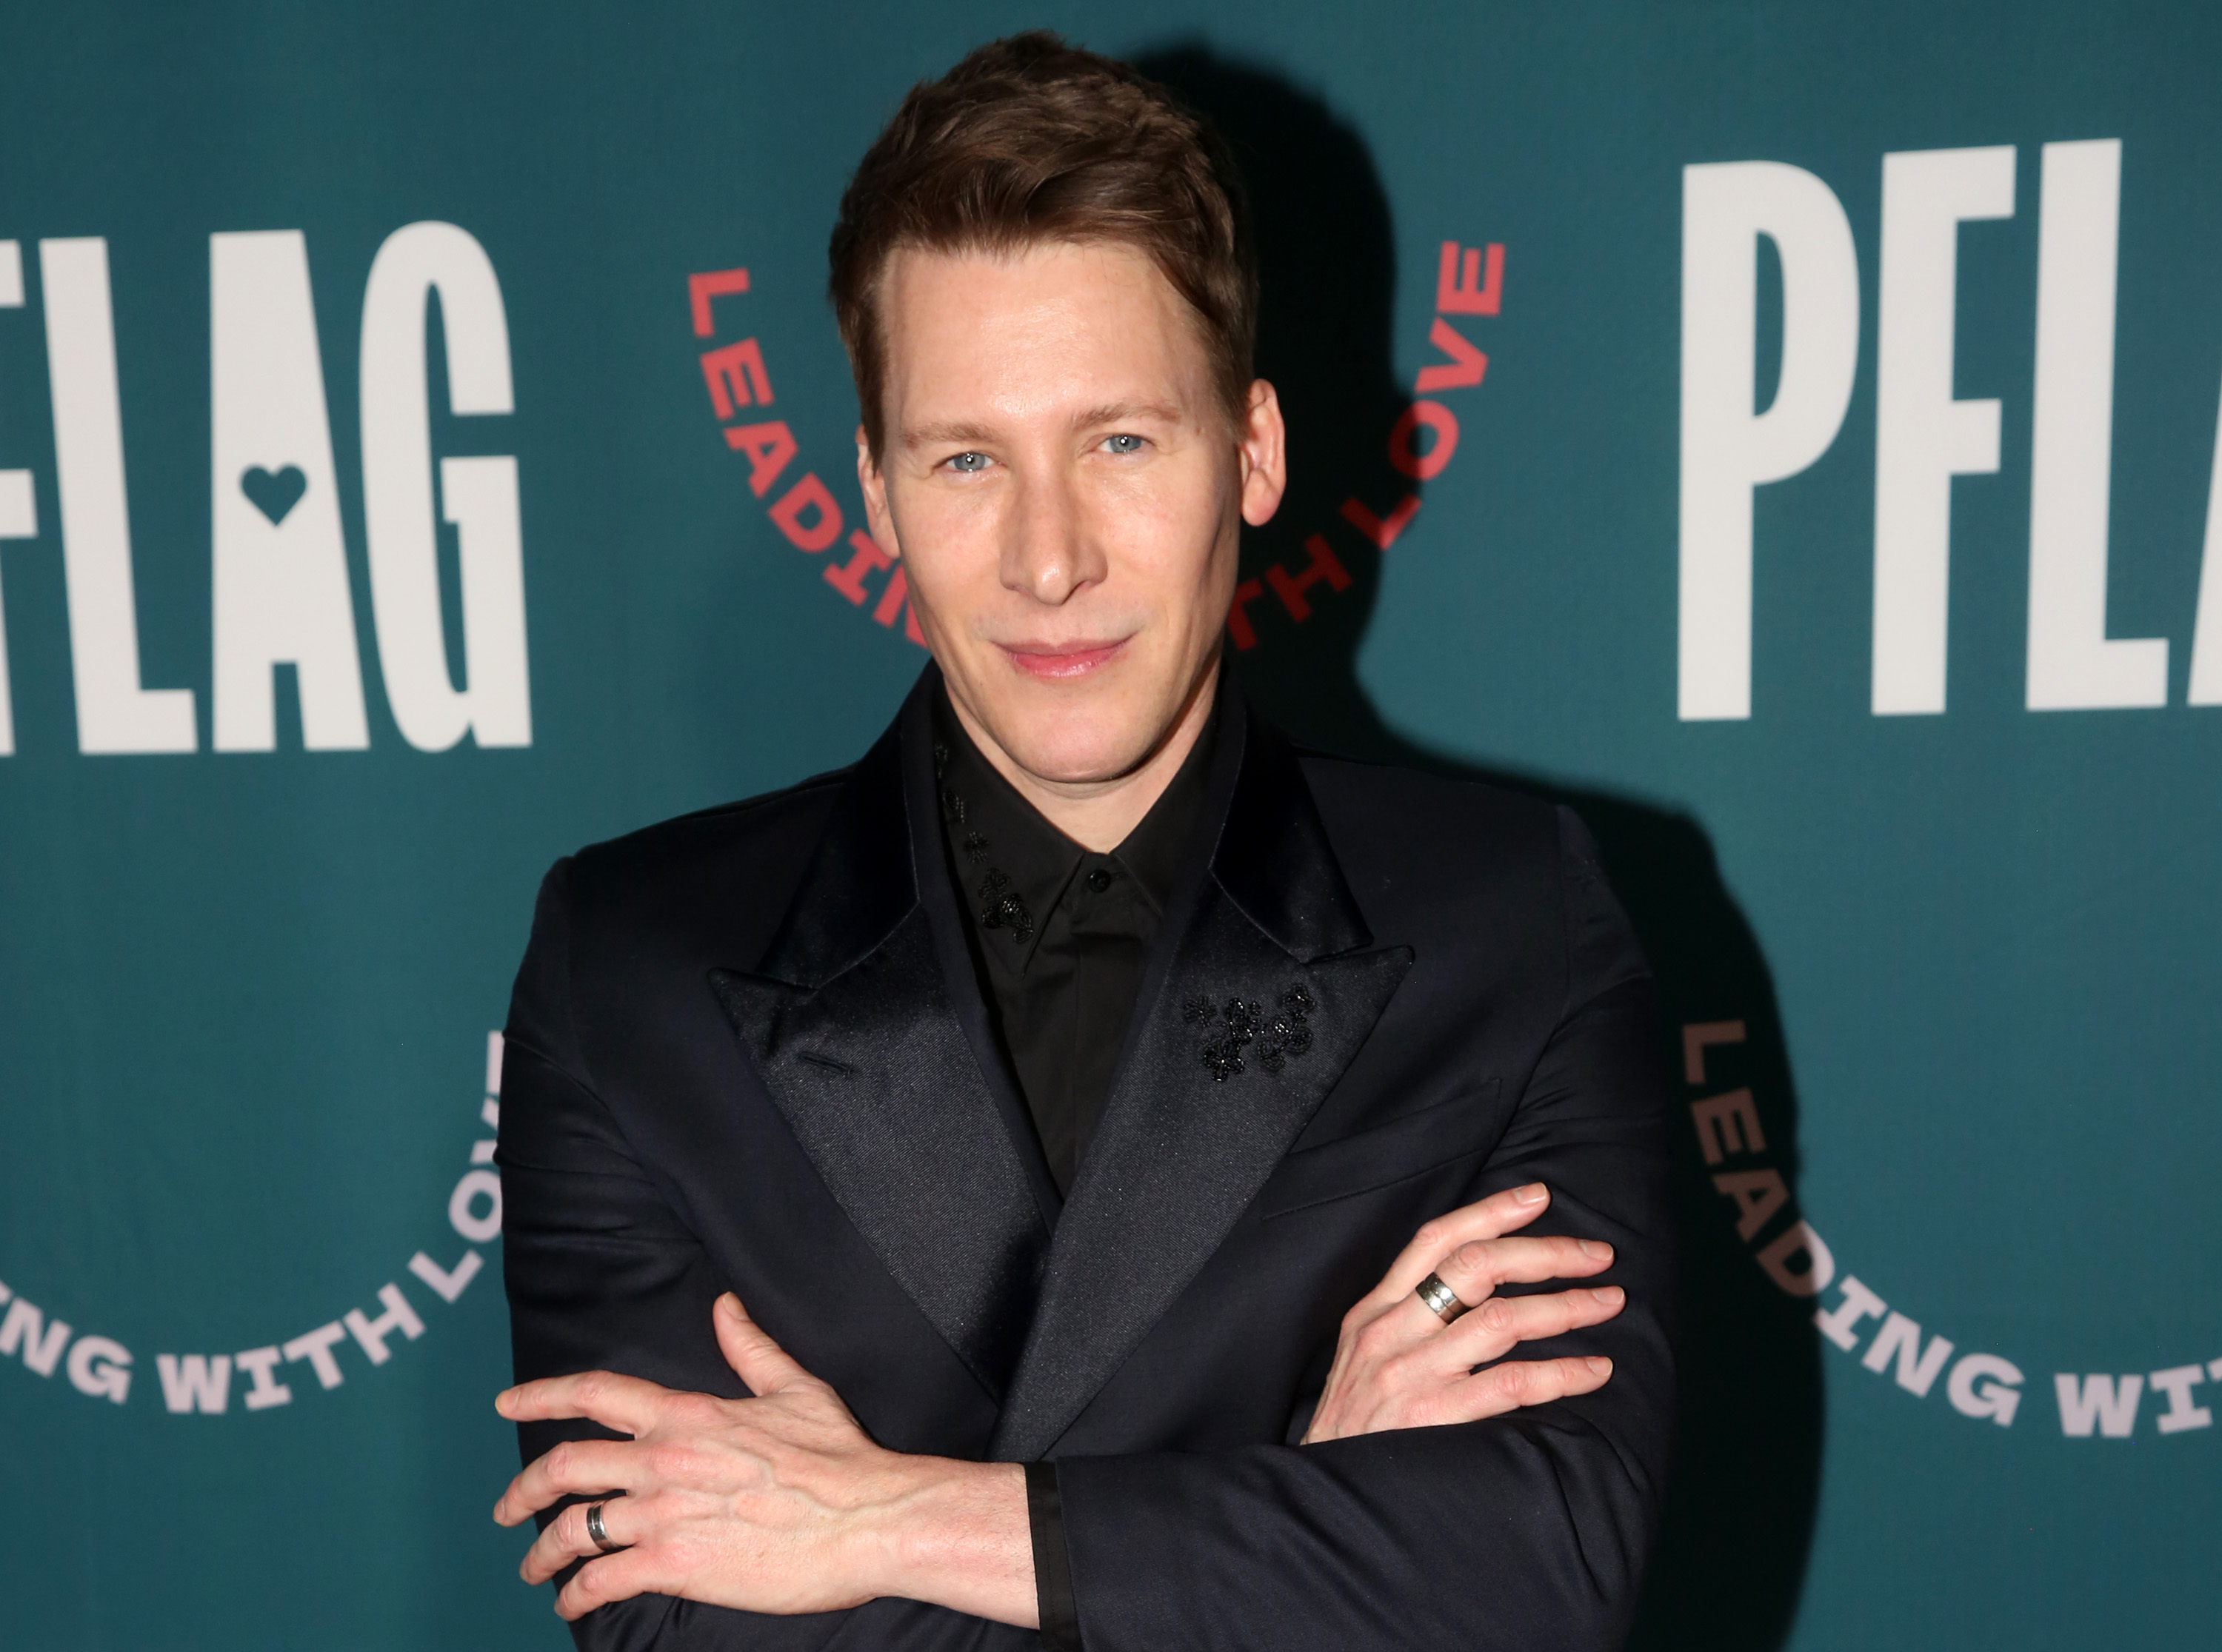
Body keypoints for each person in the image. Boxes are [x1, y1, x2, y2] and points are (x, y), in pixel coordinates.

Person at [491, 33, 1672, 1651]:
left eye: (1120, 441)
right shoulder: (630, 973)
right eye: (968, 459)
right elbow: (677, 1630)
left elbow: (1538, 1575)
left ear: (1252, 453)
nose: (1048, 561)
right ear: (875, 490)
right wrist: (1306, 1505)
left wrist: (886, 1520)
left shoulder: (1511, 923)